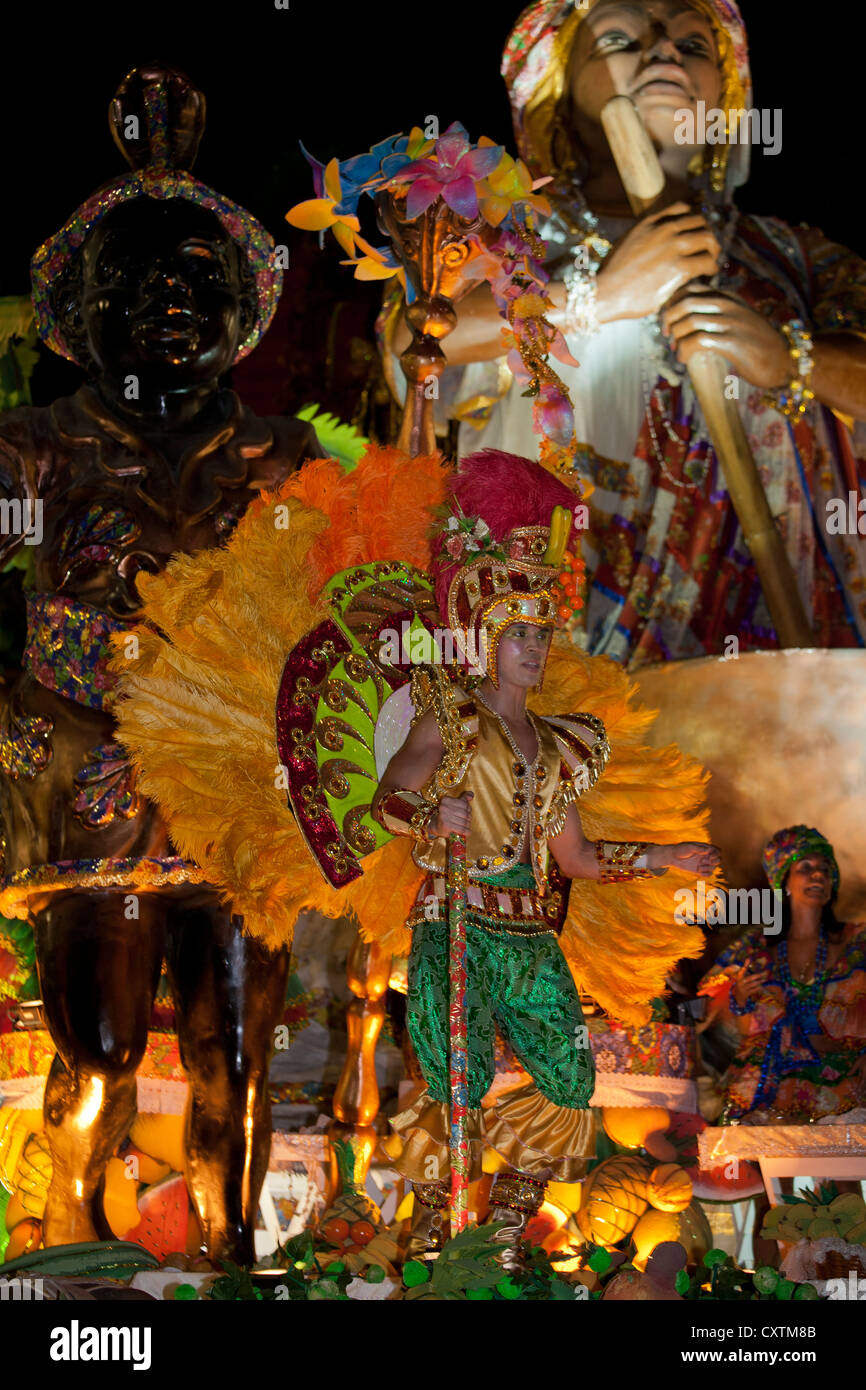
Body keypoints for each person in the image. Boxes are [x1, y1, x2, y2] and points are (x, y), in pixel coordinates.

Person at [0, 66, 321, 1259]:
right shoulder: (35, 448)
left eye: (199, 281)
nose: (172, 304)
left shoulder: (283, 456)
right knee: (101, 1055)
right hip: (92, 805)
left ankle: (234, 1262)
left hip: (241, 800)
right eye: (140, 284)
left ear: (237, 307)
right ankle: (78, 1261)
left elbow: (346, 609)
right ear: (88, 313)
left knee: (236, 1057)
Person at [390, 0, 866, 666]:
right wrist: (596, 297)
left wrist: (791, 357)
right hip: (555, 666)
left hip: (769, 671)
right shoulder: (503, 239)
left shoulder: (796, 257)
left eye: (694, 45)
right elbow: (414, 346)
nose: (666, 54)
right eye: (619, 37)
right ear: (554, 91)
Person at [370, 448, 720, 1265]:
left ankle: (503, 1236)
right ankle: (433, 1236)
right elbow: (389, 799)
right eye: (519, 632)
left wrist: (665, 855)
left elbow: (582, 857)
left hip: (527, 932)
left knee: (568, 1082)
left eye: (542, 633)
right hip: (453, 918)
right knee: (450, 1083)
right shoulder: (448, 716)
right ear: (487, 637)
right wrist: (431, 810)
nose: (534, 646)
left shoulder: (562, 746)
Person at [698, 826, 866, 1124]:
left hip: (848, 1087)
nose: (818, 875)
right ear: (783, 881)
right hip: (768, 1089)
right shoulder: (755, 949)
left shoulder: (857, 944)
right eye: (805, 867)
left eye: (825, 869)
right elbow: (712, 1009)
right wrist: (738, 998)